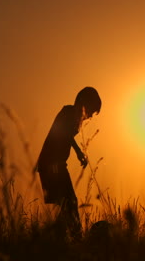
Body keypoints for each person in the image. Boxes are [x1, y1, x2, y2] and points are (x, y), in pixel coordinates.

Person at [36, 87, 101, 238]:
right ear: (84, 104)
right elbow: (63, 133)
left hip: (54, 164)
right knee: (69, 202)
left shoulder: (70, 115)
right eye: (91, 111)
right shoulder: (68, 112)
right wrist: (78, 152)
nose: (90, 116)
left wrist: (78, 152)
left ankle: (54, 237)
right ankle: (76, 236)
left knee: (66, 204)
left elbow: (67, 135)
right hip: (52, 165)